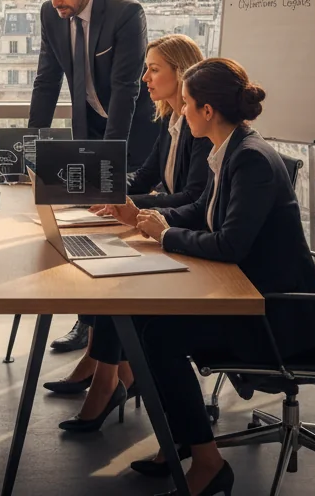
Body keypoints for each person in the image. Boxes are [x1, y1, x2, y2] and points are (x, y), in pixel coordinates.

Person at [63, 58, 315, 496]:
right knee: (151, 327)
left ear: (208, 110)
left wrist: (166, 236)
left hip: (280, 317)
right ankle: (186, 439)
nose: (180, 112)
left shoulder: (251, 161)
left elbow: (229, 244)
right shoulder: (229, 148)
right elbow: (201, 212)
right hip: (253, 295)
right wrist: (143, 217)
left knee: (159, 336)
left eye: (186, 104)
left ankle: (206, 461)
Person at [43, 34, 212, 395]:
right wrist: (99, 187)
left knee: (111, 277)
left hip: (188, 239)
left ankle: (106, 376)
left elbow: (193, 197)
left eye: (153, 70)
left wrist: (132, 208)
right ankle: (107, 368)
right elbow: (146, 177)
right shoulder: (170, 122)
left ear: (180, 73)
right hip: (166, 226)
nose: (144, 79)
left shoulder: (199, 128)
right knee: (100, 267)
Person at [28, 0, 157, 354]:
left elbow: (126, 89)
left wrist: (110, 161)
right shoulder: (51, 14)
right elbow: (47, 81)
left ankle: (126, 337)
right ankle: (89, 325)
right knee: (86, 227)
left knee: (120, 228)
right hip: (88, 124)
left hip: (132, 130)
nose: (55, 1)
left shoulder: (125, 12)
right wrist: (30, 145)